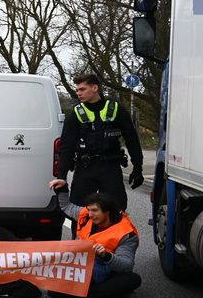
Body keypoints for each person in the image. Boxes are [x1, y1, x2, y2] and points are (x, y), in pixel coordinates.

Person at [57, 73, 143, 211]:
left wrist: (138, 168)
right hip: (85, 168)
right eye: (77, 90)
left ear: (95, 88)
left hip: (110, 168)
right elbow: (67, 147)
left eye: (82, 89)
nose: (78, 93)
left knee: (116, 211)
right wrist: (61, 176)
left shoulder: (116, 110)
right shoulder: (75, 114)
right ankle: (80, 234)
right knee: (80, 212)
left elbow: (132, 140)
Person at [49, 178, 141, 298]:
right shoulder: (87, 214)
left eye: (95, 211)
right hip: (81, 264)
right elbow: (67, 207)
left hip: (106, 268)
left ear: (108, 212)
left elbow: (126, 265)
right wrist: (63, 188)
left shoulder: (126, 233)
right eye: (89, 210)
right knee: (53, 288)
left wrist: (106, 255)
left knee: (133, 279)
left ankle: (79, 292)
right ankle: (116, 294)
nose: (90, 214)